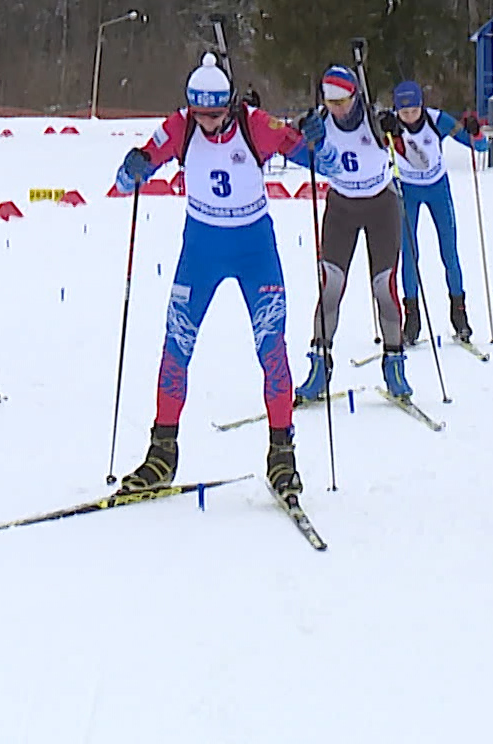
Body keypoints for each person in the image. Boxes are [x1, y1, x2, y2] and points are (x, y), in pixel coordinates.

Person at [112, 54, 337, 501]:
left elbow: (324, 164)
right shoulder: (180, 126)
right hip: (201, 248)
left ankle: (281, 451)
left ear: (230, 106)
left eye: (215, 116)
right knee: (176, 345)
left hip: (254, 248)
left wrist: (318, 138)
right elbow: (123, 182)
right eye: (200, 115)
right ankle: (162, 451)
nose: (208, 125)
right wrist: (133, 167)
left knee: (271, 347)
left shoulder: (256, 125)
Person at [292, 65, 412, 402]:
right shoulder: (322, 120)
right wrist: (305, 134)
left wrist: (394, 131)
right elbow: (295, 146)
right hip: (341, 206)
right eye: (331, 102)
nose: (338, 109)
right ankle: (318, 364)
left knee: (383, 285)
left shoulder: (373, 119)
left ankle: (394, 363)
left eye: (343, 101)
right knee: (330, 285)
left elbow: (403, 150)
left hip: (381, 204)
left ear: (355, 95)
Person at [390, 81, 488, 345]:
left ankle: (459, 315)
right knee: (409, 254)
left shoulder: (437, 120)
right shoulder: (389, 124)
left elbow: (480, 146)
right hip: (407, 189)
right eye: (404, 112)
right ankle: (412, 319)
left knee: (449, 250)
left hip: (437, 189)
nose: (409, 116)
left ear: (422, 105)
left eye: (414, 110)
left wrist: (474, 131)